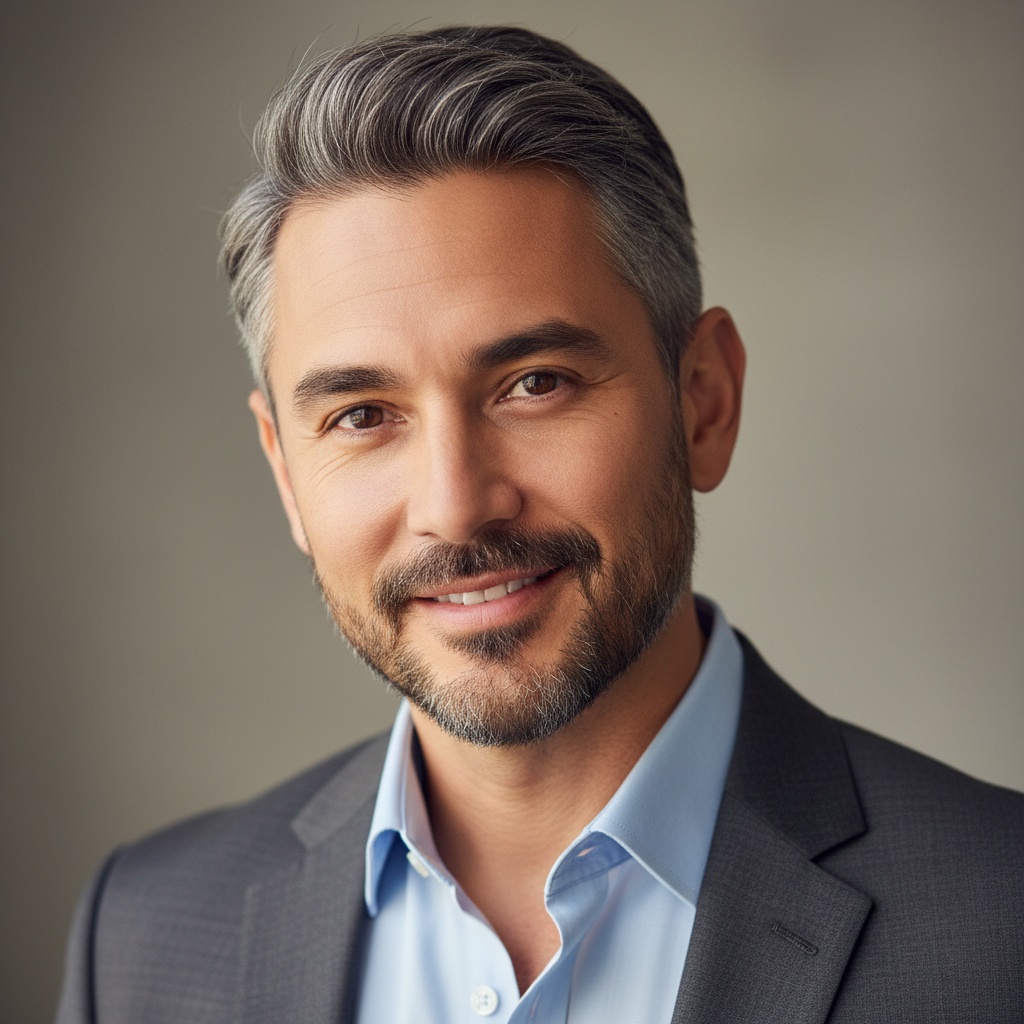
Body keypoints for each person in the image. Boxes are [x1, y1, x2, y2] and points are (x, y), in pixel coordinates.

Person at [56, 25, 1023, 1024]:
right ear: (286, 473)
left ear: (703, 402)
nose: (455, 503)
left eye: (534, 384)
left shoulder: (1002, 923)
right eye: (361, 416)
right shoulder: (142, 938)